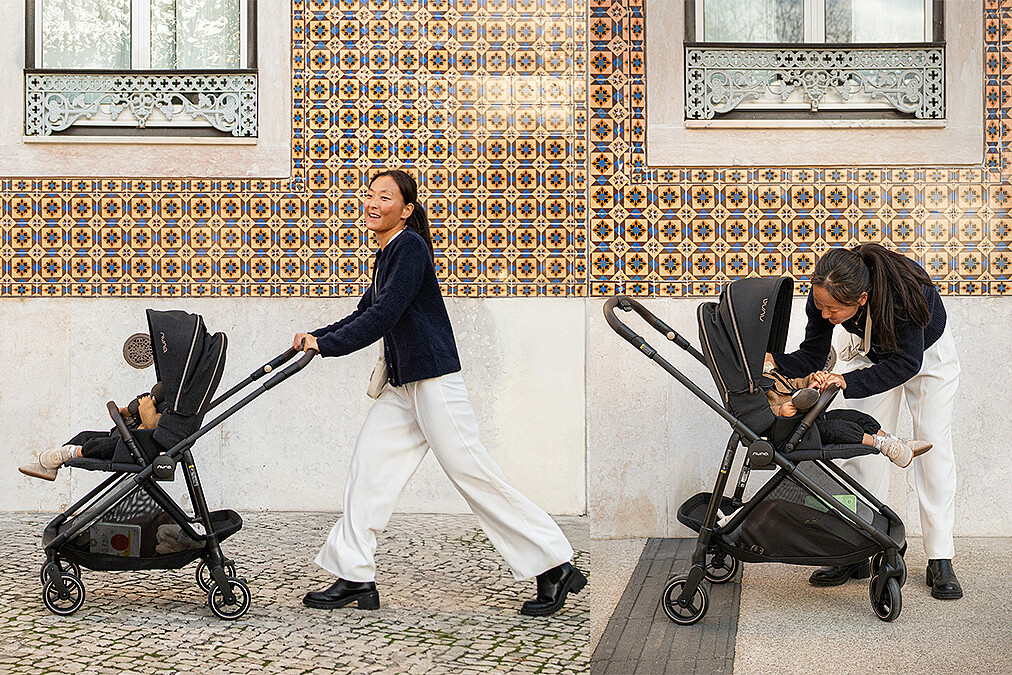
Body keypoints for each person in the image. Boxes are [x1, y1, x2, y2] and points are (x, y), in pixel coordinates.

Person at [292, 169, 586, 616]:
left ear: (405, 210)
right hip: (402, 385)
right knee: (369, 469)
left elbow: (384, 317)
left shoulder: (409, 248)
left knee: (473, 474)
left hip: (433, 382)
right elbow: (364, 312)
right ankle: (354, 574)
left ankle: (554, 564)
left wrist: (326, 346)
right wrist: (316, 337)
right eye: (370, 195)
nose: (373, 203)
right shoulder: (388, 253)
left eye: (385, 197)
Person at [769, 244, 962, 599]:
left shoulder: (906, 293)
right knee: (858, 449)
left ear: (861, 299)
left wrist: (846, 381)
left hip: (927, 357)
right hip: (872, 354)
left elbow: (907, 363)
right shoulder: (824, 294)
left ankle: (940, 558)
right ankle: (856, 546)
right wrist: (772, 361)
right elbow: (812, 354)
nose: (824, 313)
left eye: (832, 310)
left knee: (934, 449)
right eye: (820, 305)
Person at [18, 383, 165, 481]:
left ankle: (67, 454)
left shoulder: (163, 413)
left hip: (134, 449)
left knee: (97, 445)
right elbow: (129, 411)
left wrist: (147, 405)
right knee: (85, 436)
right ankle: (51, 467)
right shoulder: (152, 403)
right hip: (125, 440)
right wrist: (123, 412)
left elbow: (151, 424)